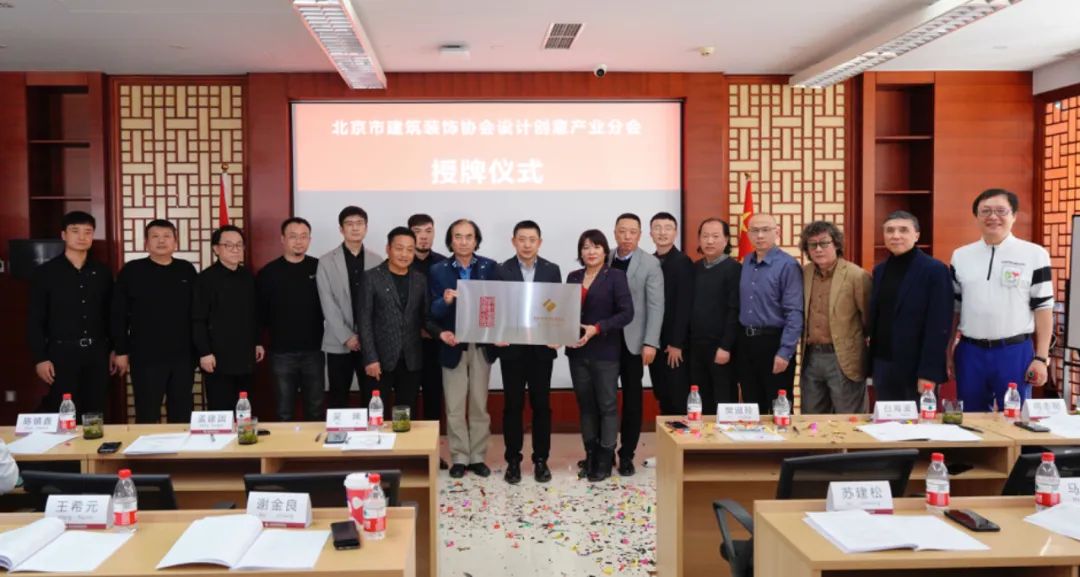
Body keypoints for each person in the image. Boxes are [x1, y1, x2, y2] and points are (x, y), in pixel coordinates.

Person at [949, 189, 1054, 411]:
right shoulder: (961, 256)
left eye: (1001, 211)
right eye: (985, 211)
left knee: (1016, 418)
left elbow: (1044, 308)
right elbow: (955, 308)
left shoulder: (1035, 254)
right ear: (976, 216)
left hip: (1014, 351)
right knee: (969, 418)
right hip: (970, 351)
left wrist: (1041, 358)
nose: (993, 217)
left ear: (1014, 215)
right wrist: (948, 351)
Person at [428, 219, 498, 478]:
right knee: (455, 405)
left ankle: (477, 456)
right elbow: (431, 312)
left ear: (476, 240)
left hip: (481, 345)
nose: (464, 241)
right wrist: (445, 301)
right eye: (458, 236)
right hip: (452, 344)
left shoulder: (490, 267)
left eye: (469, 236)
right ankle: (459, 456)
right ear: (450, 241)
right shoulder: (438, 270)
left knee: (479, 404)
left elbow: (499, 304)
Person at [28, 210, 115, 415]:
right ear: (64, 235)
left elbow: (111, 314)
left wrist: (115, 349)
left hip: (97, 353)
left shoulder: (102, 272)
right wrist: (40, 358)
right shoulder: (46, 273)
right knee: (65, 410)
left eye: (88, 232)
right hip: (62, 353)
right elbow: (35, 319)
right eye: (75, 231)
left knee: (95, 410)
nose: (82, 237)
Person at [495, 220, 562, 485]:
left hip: (541, 351)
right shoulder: (501, 270)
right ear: (513, 241)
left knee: (541, 406)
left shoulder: (551, 269)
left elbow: (556, 306)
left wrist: (557, 335)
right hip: (511, 350)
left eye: (532, 240)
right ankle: (513, 460)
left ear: (539, 242)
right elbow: (497, 306)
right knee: (512, 406)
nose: (526, 244)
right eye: (521, 239)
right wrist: (496, 334)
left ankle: (541, 460)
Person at [111, 219, 197, 423]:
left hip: (183, 356)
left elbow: (198, 313)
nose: (161, 241)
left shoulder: (186, 270)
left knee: (182, 412)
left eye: (167, 236)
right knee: (147, 412)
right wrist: (121, 350)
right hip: (145, 356)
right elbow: (118, 314)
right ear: (146, 243)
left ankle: (182, 444)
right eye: (155, 236)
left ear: (175, 242)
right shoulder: (132, 271)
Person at [567, 230, 634, 482]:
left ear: (605, 251)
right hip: (577, 351)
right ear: (580, 252)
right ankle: (591, 455)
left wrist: (598, 328)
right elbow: (563, 312)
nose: (591, 251)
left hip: (605, 351)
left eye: (596, 246)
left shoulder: (615, 276)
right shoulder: (573, 277)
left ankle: (605, 458)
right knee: (586, 406)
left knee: (607, 406)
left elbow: (627, 313)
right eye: (585, 247)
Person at [869, 211, 953, 402]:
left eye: (903, 230)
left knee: (917, 420)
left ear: (916, 235)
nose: (895, 235)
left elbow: (939, 326)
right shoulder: (880, 270)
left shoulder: (935, 270)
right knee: (886, 418)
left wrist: (928, 373)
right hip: (883, 364)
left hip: (917, 368)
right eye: (890, 230)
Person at [359, 227, 440, 420]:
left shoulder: (420, 280)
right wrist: (370, 358)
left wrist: (441, 333)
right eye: (399, 248)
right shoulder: (371, 277)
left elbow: (425, 318)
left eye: (410, 249)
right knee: (376, 415)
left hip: (411, 360)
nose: (404, 254)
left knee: (406, 415)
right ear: (388, 249)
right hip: (380, 360)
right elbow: (364, 320)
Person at [608, 213, 664, 477]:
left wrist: (651, 342)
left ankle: (627, 454)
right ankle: (605, 450)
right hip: (606, 341)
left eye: (632, 232)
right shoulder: (605, 257)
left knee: (632, 400)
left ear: (640, 235)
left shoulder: (650, 263)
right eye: (622, 231)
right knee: (605, 399)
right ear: (615, 233)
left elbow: (656, 306)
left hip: (634, 343)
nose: (627, 236)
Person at [799, 221, 871, 414]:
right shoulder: (804, 273)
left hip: (844, 358)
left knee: (849, 418)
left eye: (824, 243)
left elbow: (869, 320)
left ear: (836, 244)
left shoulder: (857, 275)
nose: (818, 249)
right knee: (811, 418)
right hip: (811, 356)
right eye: (812, 245)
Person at [257, 217, 325, 421]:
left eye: (304, 236)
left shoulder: (319, 268)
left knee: (315, 409)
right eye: (293, 236)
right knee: (284, 411)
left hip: (314, 350)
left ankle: (315, 443)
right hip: (281, 353)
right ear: (282, 239)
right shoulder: (268, 273)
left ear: (310, 239)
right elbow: (259, 312)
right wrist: (257, 341)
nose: (299, 241)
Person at [738, 214, 803, 414]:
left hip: (774, 342)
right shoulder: (746, 262)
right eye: (754, 230)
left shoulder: (788, 265)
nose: (759, 235)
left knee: (779, 408)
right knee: (751, 407)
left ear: (777, 232)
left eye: (765, 230)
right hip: (746, 343)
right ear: (748, 234)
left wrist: (785, 352)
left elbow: (794, 312)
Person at [193, 225, 263, 411]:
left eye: (239, 245)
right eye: (229, 245)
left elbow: (255, 313)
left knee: (245, 409)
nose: (235, 249)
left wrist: (257, 342)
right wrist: (204, 353)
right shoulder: (205, 279)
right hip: (217, 358)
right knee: (221, 409)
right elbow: (198, 319)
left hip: (245, 356)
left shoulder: (248, 276)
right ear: (216, 249)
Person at [317, 206, 381, 409]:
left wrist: (365, 336)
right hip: (338, 341)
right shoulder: (326, 261)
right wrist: (347, 337)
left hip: (370, 342)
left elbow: (380, 303)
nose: (355, 228)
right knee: (338, 397)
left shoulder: (377, 260)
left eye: (359, 223)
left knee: (371, 396)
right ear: (341, 229)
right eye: (349, 224)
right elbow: (327, 302)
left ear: (366, 228)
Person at [688, 218, 741, 412]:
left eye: (715, 236)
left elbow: (734, 310)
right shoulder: (695, 268)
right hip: (696, 347)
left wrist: (726, 346)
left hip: (721, 348)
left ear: (726, 240)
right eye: (705, 236)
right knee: (700, 402)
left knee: (723, 401)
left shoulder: (734, 269)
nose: (709, 241)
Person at [648, 212, 694, 417]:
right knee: (662, 393)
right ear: (650, 233)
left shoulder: (683, 262)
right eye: (657, 228)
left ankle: (682, 436)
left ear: (675, 233)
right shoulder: (649, 261)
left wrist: (677, 343)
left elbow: (685, 305)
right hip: (654, 341)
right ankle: (667, 438)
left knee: (678, 396)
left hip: (674, 344)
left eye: (668, 228)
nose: (662, 232)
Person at [408, 213, 447, 424]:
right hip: (408, 342)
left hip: (436, 341)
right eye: (417, 232)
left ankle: (433, 443)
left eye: (428, 231)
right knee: (408, 396)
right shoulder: (400, 262)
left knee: (434, 396)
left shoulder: (444, 264)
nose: (423, 237)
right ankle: (407, 443)